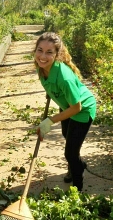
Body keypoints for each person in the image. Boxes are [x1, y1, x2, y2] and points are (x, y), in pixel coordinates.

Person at [33, 32, 96, 192]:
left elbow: (77, 108)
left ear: (57, 54)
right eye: (40, 50)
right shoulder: (41, 68)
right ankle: (74, 167)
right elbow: (51, 85)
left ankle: (78, 186)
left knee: (71, 153)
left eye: (49, 52)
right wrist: (51, 91)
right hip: (66, 104)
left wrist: (50, 121)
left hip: (82, 110)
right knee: (67, 135)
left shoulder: (64, 77)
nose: (42, 56)